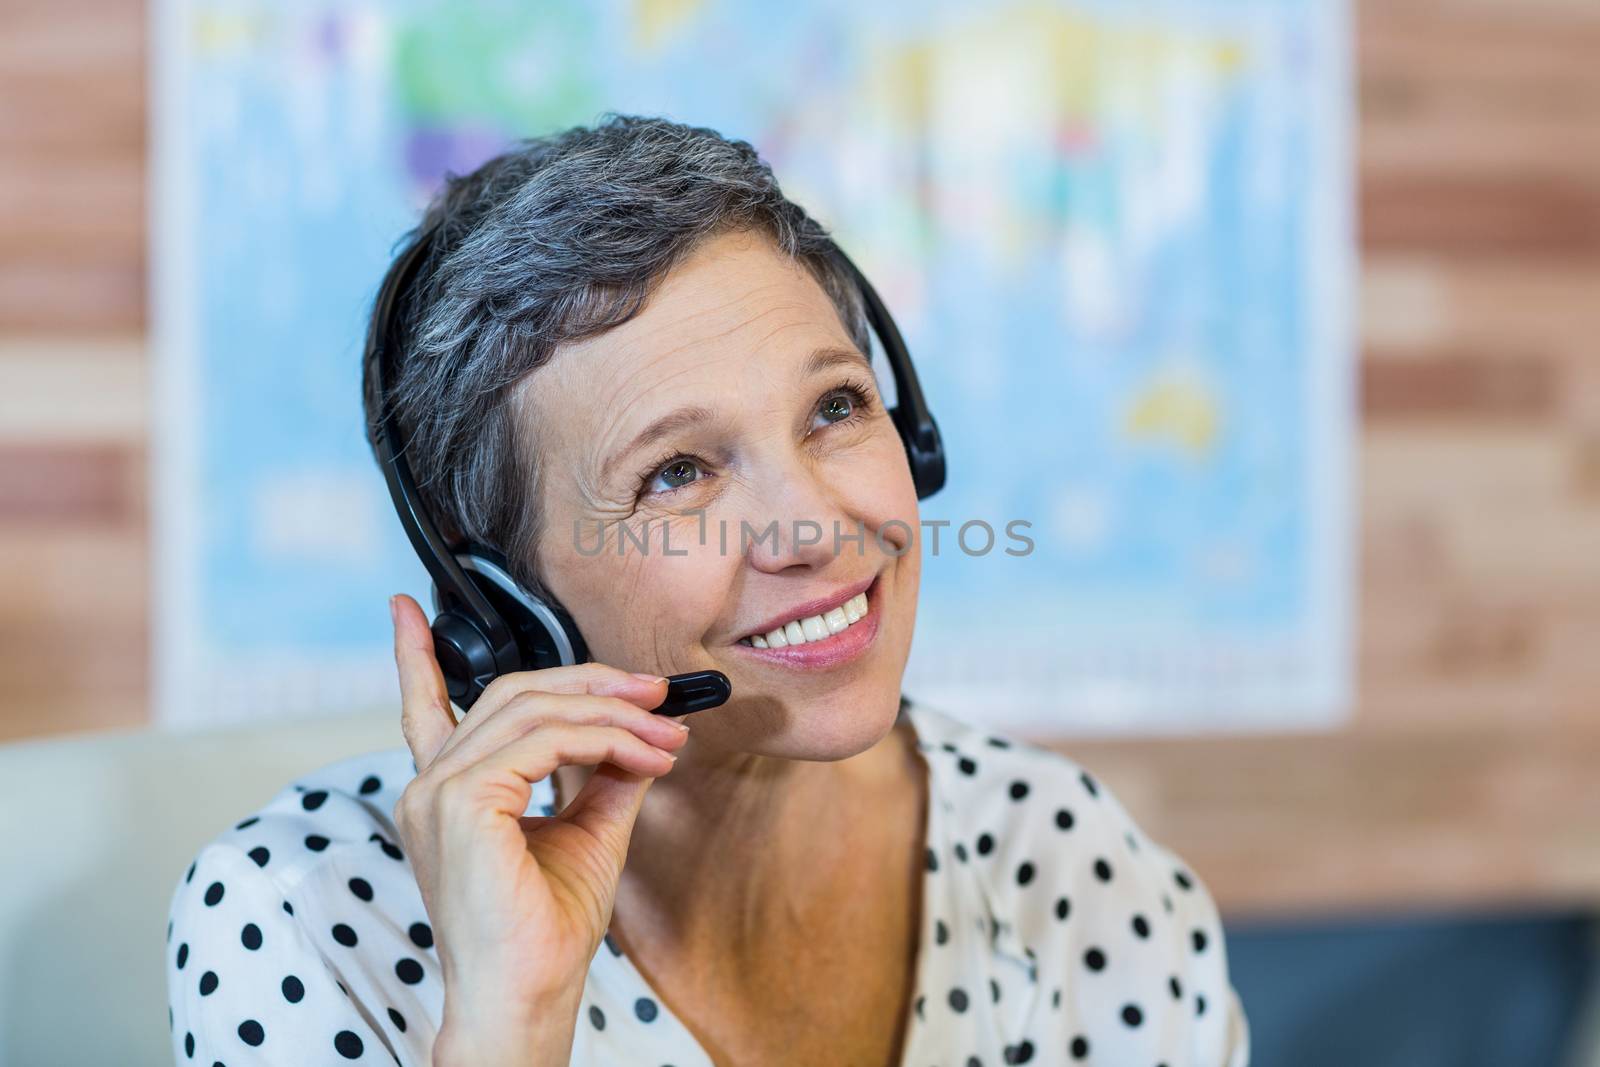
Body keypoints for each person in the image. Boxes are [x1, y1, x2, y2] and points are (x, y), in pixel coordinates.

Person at [165, 113, 1250, 1066]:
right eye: (677, 471)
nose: (818, 528)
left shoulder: (1074, 866)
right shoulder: (300, 919)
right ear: (496, 594)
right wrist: (510, 1025)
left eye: (835, 407)